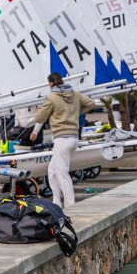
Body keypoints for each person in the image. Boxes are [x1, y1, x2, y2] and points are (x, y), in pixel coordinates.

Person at [31, 72, 96, 208]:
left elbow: (40, 118)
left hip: (62, 139)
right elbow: (91, 103)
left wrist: (39, 111)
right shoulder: (74, 94)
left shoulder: (52, 97)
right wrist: (76, 112)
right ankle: (56, 201)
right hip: (73, 137)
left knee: (62, 174)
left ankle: (71, 205)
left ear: (50, 83)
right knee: (52, 171)